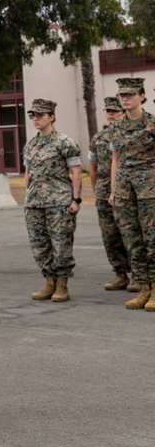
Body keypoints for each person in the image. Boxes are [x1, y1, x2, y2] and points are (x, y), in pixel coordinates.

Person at [23, 98, 82, 303]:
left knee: (61, 244)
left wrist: (76, 199)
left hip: (59, 202)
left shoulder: (65, 142)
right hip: (34, 203)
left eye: (40, 115)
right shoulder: (31, 144)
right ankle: (49, 282)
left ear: (52, 117)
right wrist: (27, 197)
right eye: (33, 115)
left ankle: (62, 284)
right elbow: (28, 173)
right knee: (39, 245)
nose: (36, 118)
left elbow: (76, 173)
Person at [109, 77, 155, 311]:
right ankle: (143, 287)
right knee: (132, 239)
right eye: (122, 95)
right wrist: (114, 189)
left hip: (150, 187)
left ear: (142, 96)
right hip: (125, 188)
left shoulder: (153, 124)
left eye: (129, 94)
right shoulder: (116, 126)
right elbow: (115, 159)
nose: (124, 99)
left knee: (152, 238)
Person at [88, 96, 131, 291]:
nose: (111, 115)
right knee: (110, 235)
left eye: (116, 111)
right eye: (108, 111)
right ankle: (120, 274)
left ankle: (140, 275)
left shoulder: (131, 134)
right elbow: (93, 168)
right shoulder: (98, 138)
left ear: (123, 113)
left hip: (129, 190)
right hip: (105, 192)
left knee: (131, 234)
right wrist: (96, 193)